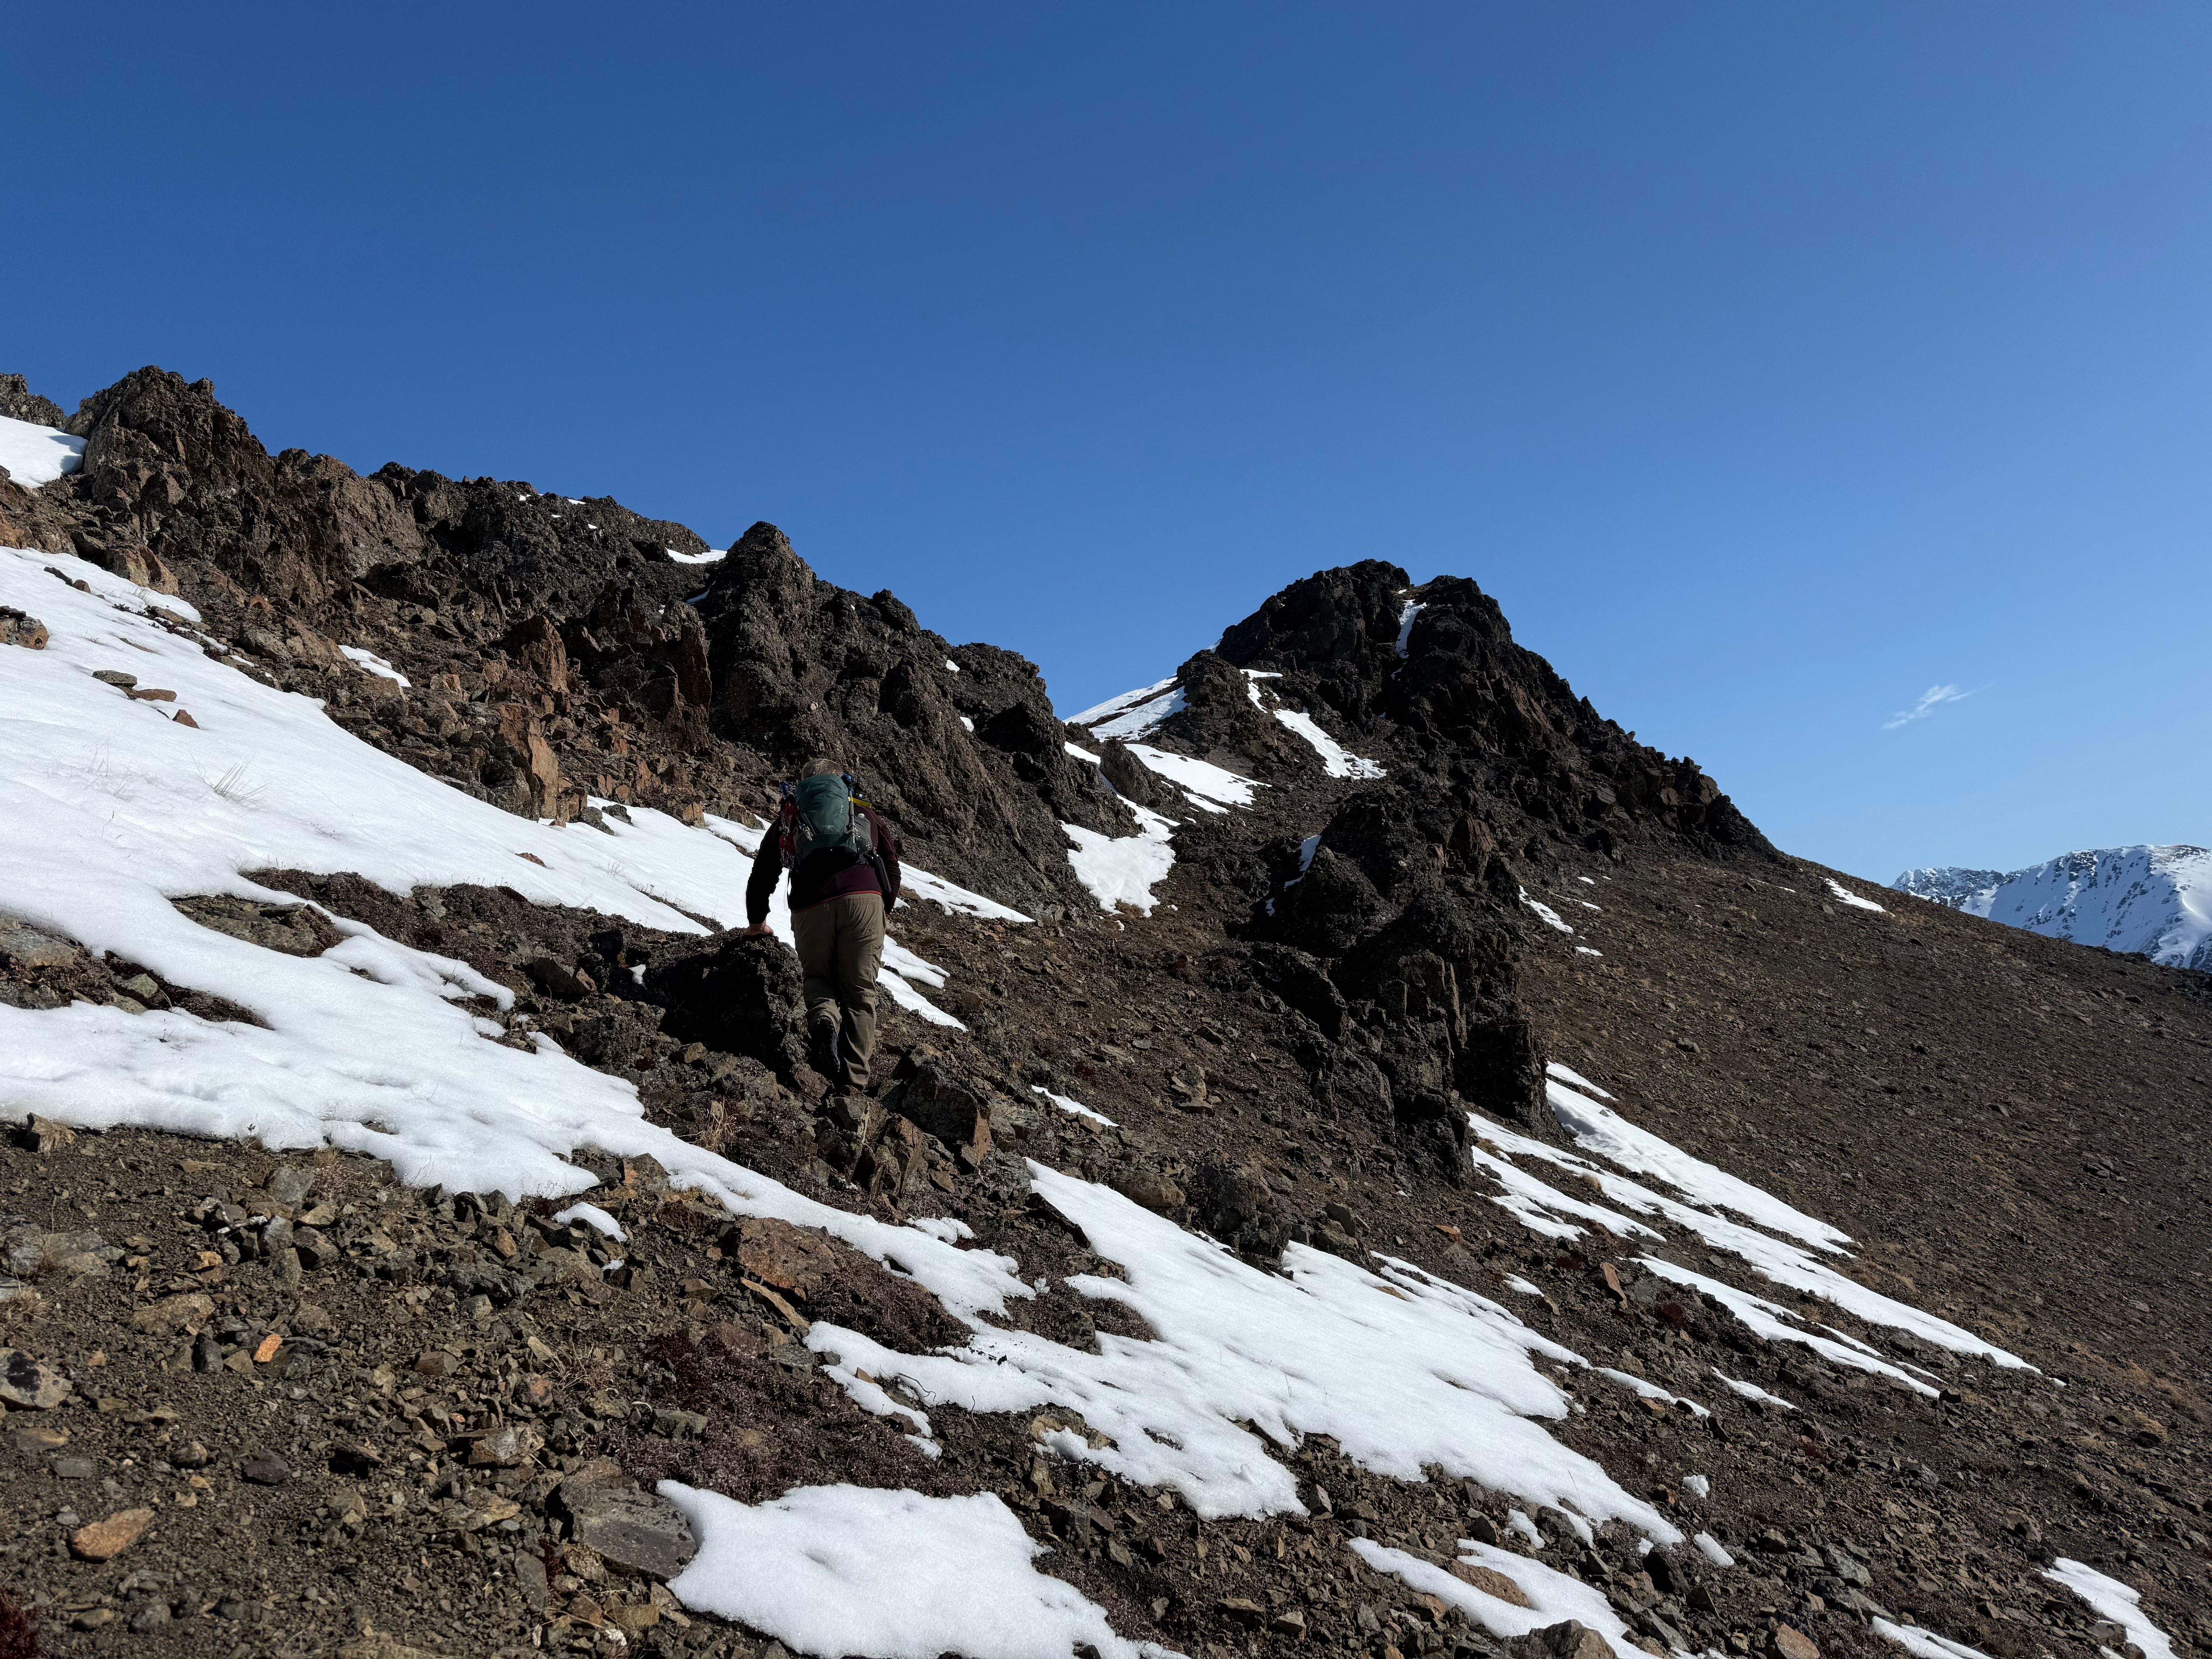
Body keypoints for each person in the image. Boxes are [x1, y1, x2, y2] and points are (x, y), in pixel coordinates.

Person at [742, 758, 902, 1091]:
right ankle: (853, 1086)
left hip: (810, 904)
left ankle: (826, 1021)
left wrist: (757, 922)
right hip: (864, 899)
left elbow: (763, 873)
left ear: (803, 786)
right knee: (860, 993)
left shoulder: (791, 815)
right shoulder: (860, 810)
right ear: (841, 782)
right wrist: (883, 907)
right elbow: (891, 863)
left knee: (817, 979)